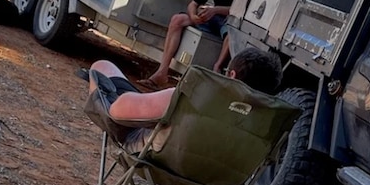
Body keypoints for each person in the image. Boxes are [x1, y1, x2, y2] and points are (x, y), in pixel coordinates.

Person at [88, 47, 282, 151]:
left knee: (102, 67)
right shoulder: (267, 125)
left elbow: (117, 112)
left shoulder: (194, 95)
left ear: (231, 75)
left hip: (159, 157)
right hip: (213, 179)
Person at [138, 0, 245, 90]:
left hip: (231, 21)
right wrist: (194, 16)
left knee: (232, 34)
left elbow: (241, 11)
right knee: (177, 20)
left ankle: (217, 66)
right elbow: (193, 3)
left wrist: (215, 10)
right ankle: (162, 71)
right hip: (214, 16)